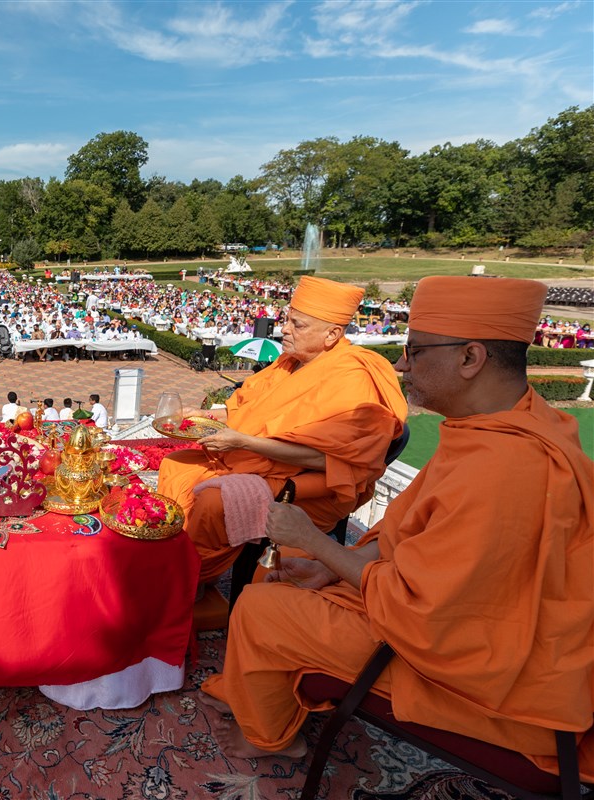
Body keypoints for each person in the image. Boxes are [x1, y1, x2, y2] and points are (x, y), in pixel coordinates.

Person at [199, 276, 593, 781]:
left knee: (259, 606)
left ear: (471, 359)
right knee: (285, 577)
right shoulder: (507, 424)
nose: (402, 365)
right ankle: (272, 695)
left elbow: (426, 616)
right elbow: (409, 532)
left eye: (415, 351)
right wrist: (330, 570)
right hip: (440, 612)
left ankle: (273, 740)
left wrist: (316, 542)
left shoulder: (506, 467)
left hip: (477, 668)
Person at [157, 276, 407, 592]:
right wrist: (206, 415)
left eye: (297, 324)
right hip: (255, 456)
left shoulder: (352, 379)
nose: (284, 329)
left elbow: (330, 460)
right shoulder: (290, 362)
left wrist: (244, 442)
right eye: (287, 319)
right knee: (177, 464)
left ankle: (190, 580)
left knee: (212, 502)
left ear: (332, 334)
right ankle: (174, 559)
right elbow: (249, 411)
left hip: (308, 484)